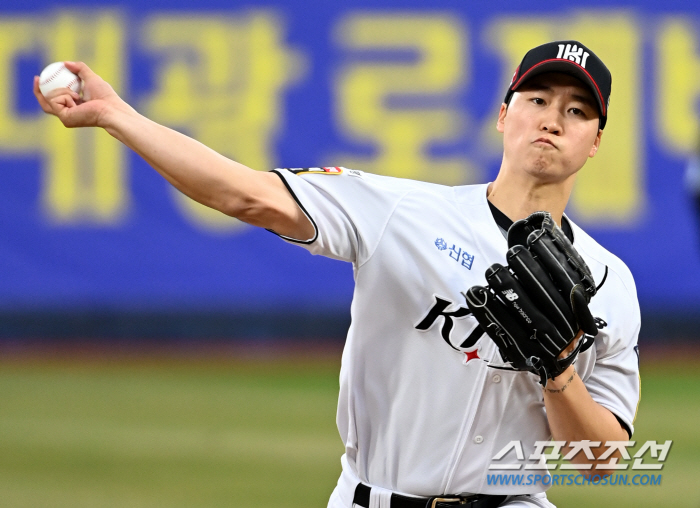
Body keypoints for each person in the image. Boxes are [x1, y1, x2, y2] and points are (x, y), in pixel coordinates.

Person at [34, 40, 640, 508]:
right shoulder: (401, 211)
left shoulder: (610, 284)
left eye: (577, 110)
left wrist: (559, 372)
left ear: (595, 142)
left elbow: (600, 462)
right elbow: (244, 194)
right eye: (538, 100)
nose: (553, 119)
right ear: (504, 115)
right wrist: (116, 115)